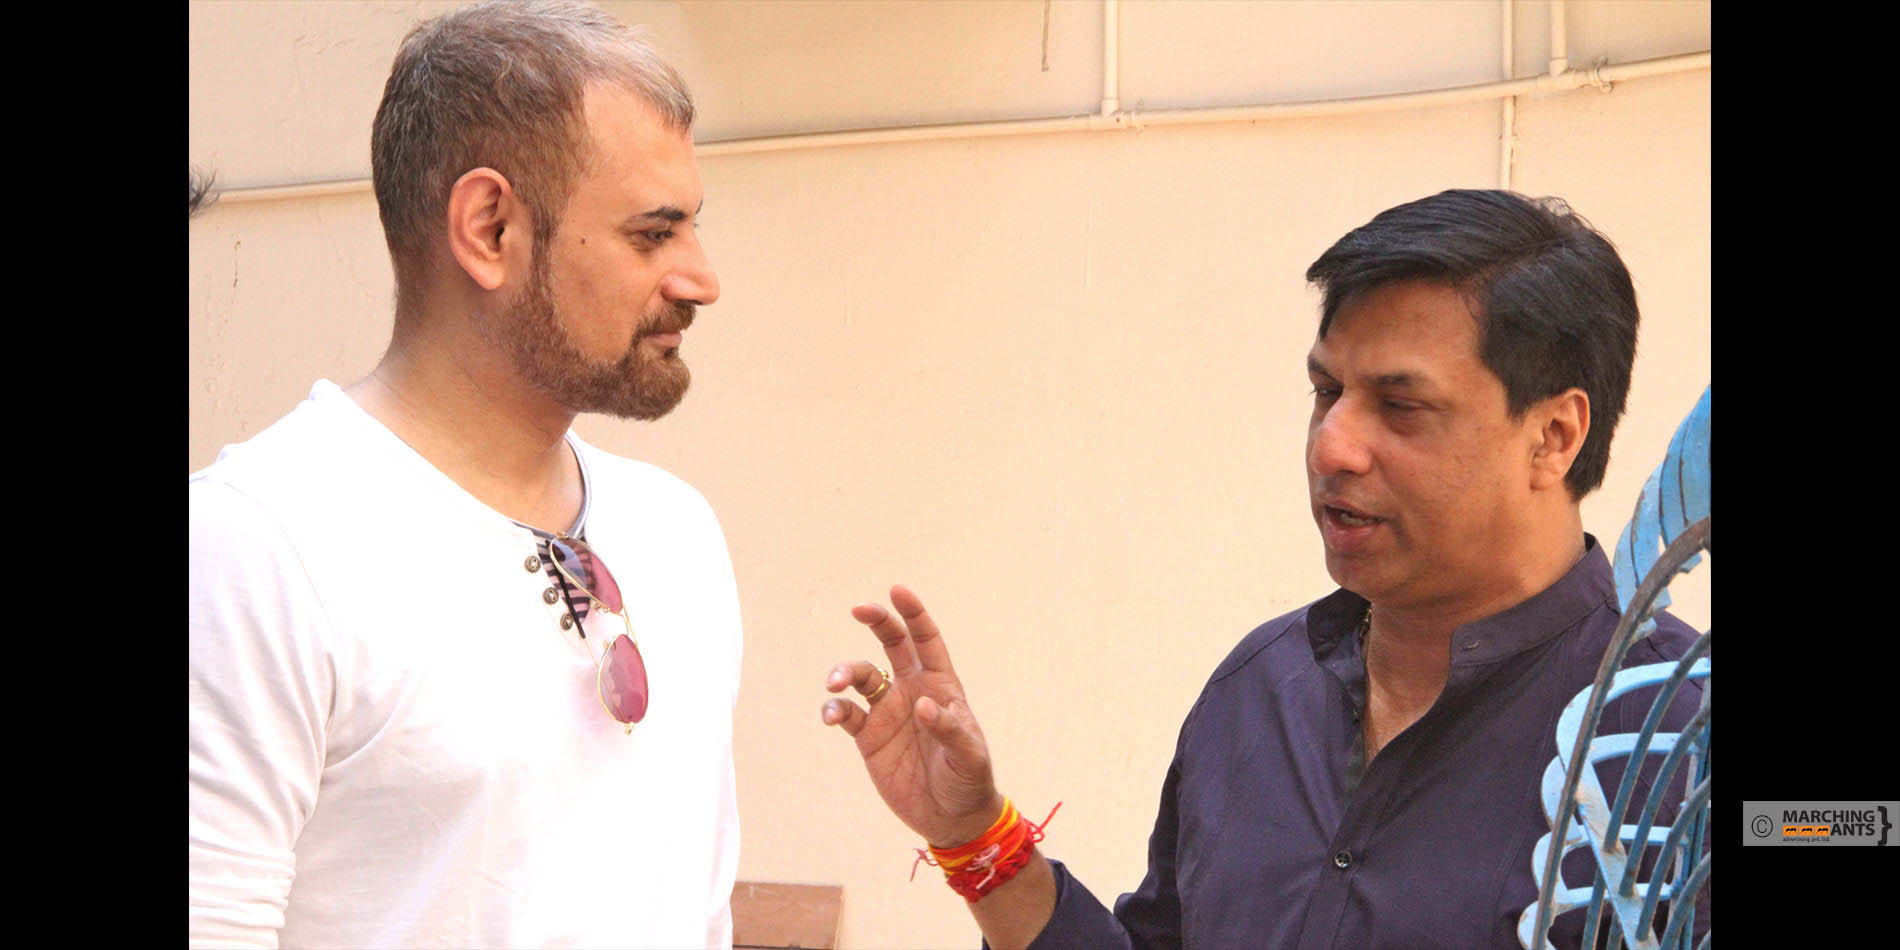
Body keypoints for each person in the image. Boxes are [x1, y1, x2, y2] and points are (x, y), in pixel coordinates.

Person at [822, 189, 1708, 949]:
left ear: (1553, 436)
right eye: (1326, 393)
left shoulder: (1682, 734)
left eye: (1400, 406)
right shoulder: (1259, 691)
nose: (1333, 446)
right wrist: (976, 836)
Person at [188, 2, 740, 946]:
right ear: (489, 229)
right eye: (653, 235)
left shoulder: (676, 532)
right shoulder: (256, 549)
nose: (701, 280)